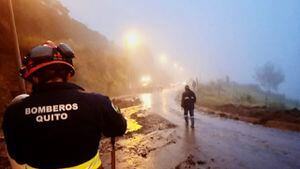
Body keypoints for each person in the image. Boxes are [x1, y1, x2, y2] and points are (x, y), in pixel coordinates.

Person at [2, 41, 127, 169]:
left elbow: (18, 156)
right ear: (69, 74)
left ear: (34, 77)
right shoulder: (97, 102)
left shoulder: (14, 111)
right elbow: (119, 127)